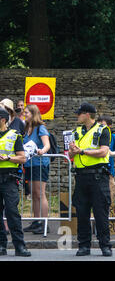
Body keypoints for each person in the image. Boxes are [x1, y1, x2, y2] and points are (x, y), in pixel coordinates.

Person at [68, 102, 113, 257]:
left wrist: (82, 151)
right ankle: (84, 245)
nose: (77, 116)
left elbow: (103, 152)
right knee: (82, 213)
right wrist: (73, 152)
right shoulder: (76, 132)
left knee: (101, 213)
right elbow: (71, 155)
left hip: (98, 177)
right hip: (81, 177)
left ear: (87, 114)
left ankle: (105, 245)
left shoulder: (103, 130)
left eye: (79, 113)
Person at [0, 107, 31, 256]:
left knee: (12, 212)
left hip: (9, 178)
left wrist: (8, 158)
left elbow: (22, 158)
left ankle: (19, 246)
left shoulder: (14, 135)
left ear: (3, 120)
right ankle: (1, 245)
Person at [21, 104, 51, 235]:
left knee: (40, 193)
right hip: (29, 164)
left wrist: (41, 151)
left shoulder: (41, 128)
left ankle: (44, 223)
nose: (24, 114)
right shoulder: (26, 128)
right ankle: (36, 220)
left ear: (33, 114)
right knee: (33, 194)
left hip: (40, 163)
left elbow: (47, 145)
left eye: (26, 112)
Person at [97, 115, 115, 202]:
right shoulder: (93, 136)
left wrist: (112, 153)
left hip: (108, 172)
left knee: (109, 197)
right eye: (99, 125)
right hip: (94, 171)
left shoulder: (113, 137)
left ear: (109, 126)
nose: (100, 127)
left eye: (102, 125)